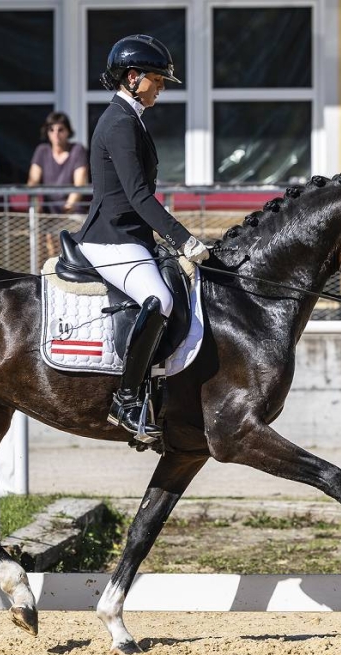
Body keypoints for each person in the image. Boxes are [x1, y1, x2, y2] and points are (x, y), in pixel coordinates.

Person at [73, 34, 211, 441]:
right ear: (132, 77)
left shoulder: (130, 118)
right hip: (110, 238)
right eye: (157, 79)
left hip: (131, 236)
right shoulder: (118, 122)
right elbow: (137, 196)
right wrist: (183, 239)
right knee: (160, 299)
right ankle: (127, 401)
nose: (162, 87)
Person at [27, 112, 89, 214]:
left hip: (73, 213)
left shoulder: (77, 150)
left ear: (68, 131)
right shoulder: (42, 151)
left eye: (60, 129)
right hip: (48, 214)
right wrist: (37, 209)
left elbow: (79, 184)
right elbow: (32, 182)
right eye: (51, 130)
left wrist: (67, 209)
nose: (56, 134)